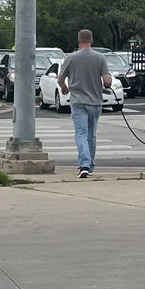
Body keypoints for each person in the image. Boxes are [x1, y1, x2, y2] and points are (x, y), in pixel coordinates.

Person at [57, 29, 115, 179]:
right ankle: (90, 165)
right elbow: (107, 81)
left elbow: (60, 78)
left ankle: (84, 164)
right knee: (92, 135)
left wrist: (64, 87)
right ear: (92, 40)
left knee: (81, 133)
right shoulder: (100, 58)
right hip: (95, 102)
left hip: (78, 101)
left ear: (78, 41)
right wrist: (105, 85)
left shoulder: (71, 58)